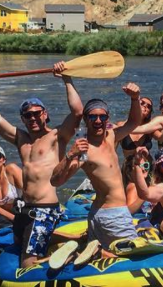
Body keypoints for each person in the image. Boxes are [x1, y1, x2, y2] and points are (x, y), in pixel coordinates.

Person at [0, 62, 83, 267]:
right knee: (19, 244)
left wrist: (67, 79)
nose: (33, 117)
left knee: (27, 263)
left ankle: (68, 257)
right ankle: (73, 242)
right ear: (23, 119)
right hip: (24, 209)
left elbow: (78, 112)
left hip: (44, 208)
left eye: (37, 113)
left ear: (45, 114)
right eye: (28, 115)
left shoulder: (57, 136)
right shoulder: (21, 139)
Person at [53, 84, 144, 254]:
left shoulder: (111, 136)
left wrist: (135, 98)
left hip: (101, 214)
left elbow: (134, 122)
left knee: (101, 259)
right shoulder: (85, 150)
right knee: (134, 257)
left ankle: (85, 250)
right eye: (93, 117)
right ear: (85, 120)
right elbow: (55, 181)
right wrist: (70, 155)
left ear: (107, 119)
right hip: (114, 216)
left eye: (102, 117)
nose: (97, 121)